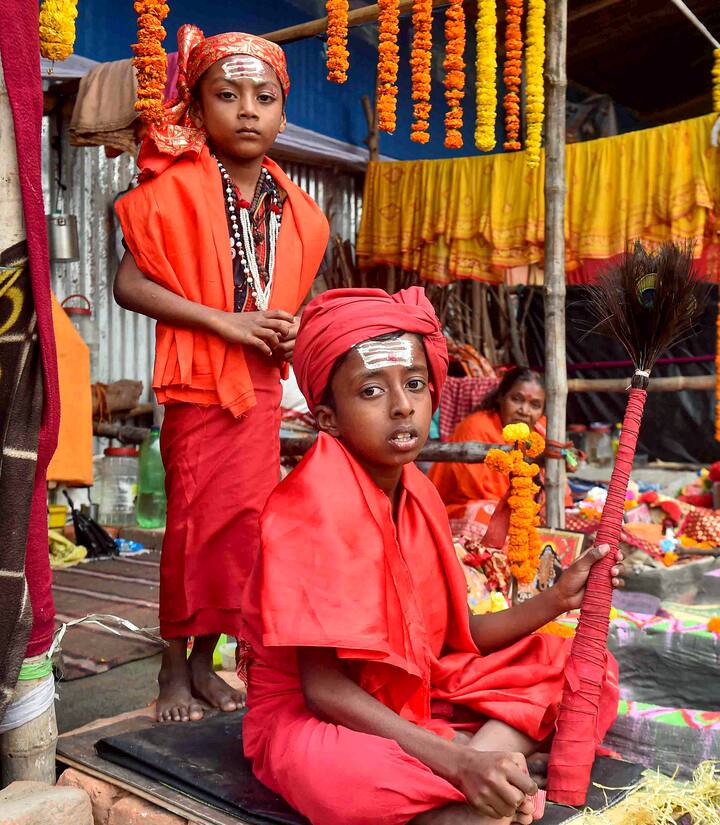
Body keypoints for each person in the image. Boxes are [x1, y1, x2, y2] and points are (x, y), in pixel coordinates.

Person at [239, 287, 621, 825]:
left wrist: (559, 598)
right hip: (319, 714)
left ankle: (482, 768)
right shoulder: (309, 506)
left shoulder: (418, 492)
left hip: (421, 688)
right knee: (337, 775)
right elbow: (322, 689)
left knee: (581, 664)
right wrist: (460, 762)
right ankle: (470, 782)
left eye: (415, 385)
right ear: (327, 417)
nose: (402, 406)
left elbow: (456, 633)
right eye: (371, 391)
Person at [113, 24, 329, 723]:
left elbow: (280, 297)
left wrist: (285, 328)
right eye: (226, 95)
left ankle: (207, 665)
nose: (246, 110)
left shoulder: (297, 211)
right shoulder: (173, 185)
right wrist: (224, 321)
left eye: (263, 97)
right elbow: (126, 284)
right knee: (190, 531)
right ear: (199, 108)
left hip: (261, 390)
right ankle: (173, 672)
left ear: (282, 112)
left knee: (242, 532)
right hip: (199, 387)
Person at [429, 369, 570, 531]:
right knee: (488, 517)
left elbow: (558, 488)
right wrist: (522, 509)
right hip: (466, 506)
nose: (524, 410)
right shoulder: (476, 427)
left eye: (535, 405)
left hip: (526, 508)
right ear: (500, 397)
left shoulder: (543, 429)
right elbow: (475, 490)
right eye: (516, 399)